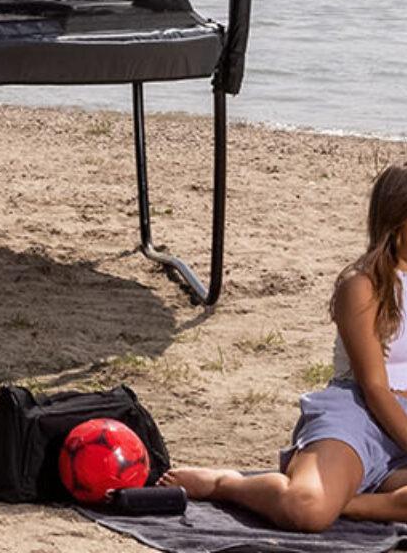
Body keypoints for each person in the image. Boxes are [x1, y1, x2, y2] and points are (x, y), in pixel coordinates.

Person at [161, 163, 407, 532]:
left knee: (326, 504)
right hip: (361, 414)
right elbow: (374, 386)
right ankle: (226, 484)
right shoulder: (363, 285)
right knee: (305, 509)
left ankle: (353, 503)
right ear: (399, 221)